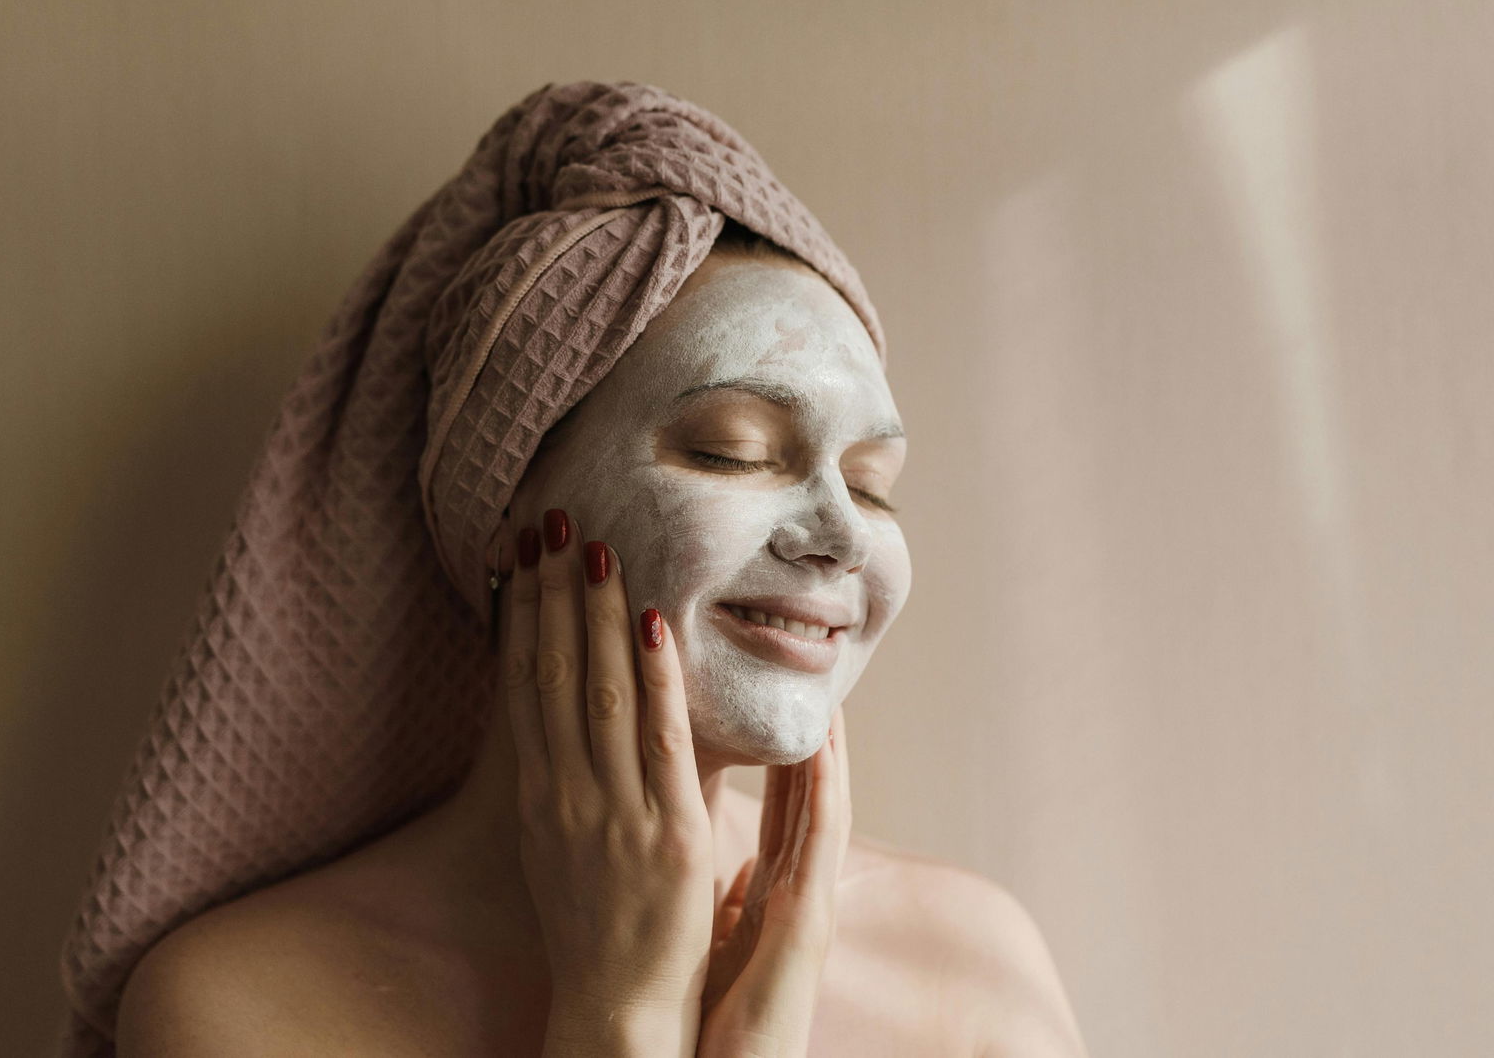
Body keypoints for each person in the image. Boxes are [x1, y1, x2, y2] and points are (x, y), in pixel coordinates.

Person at [60, 81, 1089, 1056]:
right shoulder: (246, 1002)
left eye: (871, 482)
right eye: (731, 449)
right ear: (510, 514)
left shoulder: (972, 965)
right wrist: (619, 1014)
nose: (838, 533)